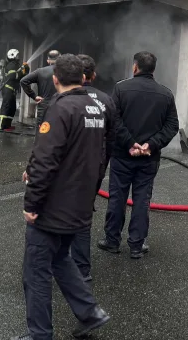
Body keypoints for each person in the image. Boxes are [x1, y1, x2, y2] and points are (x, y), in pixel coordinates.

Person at [14, 54, 111, 340]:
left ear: (55, 79)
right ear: (83, 78)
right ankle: (90, 312)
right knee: (60, 259)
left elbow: (46, 159)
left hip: (54, 206)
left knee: (36, 271)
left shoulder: (60, 108)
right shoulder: (94, 107)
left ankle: (40, 334)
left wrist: (32, 204)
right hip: (79, 202)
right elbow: (96, 154)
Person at [99, 51, 178, 259]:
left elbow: (113, 120)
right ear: (153, 69)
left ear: (135, 67)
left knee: (117, 197)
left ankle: (112, 241)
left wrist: (130, 142)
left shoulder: (121, 88)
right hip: (149, 158)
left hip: (122, 155)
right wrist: (150, 145)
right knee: (142, 199)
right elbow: (172, 126)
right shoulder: (166, 94)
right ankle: (136, 244)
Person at [69, 54, 116, 283]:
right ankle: (81, 270)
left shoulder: (64, 99)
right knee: (83, 215)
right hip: (95, 168)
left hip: (68, 170)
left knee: (59, 213)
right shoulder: (106, 100)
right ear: (93, 75)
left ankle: (61, 265)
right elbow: (113, 137)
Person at [21, 50, 59, 128]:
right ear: (60, 59)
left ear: (48, 60)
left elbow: (23, 81)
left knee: (41, 134)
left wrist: (34, 96)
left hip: (44, 108)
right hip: (60, 107)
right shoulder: (66, 72)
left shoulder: (40, 71)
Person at [0, 49, 27, 131]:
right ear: (13, 56)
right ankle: (1, 126)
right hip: (8, 89)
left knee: (12, 108)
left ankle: (7, 126)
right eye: (17, 55)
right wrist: (22, 72)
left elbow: (21, 76)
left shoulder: (15, 65)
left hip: (12, 90)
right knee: (6, 107)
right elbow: (12, 76)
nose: (18, 56)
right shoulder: (11, 65)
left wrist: (25, 69)